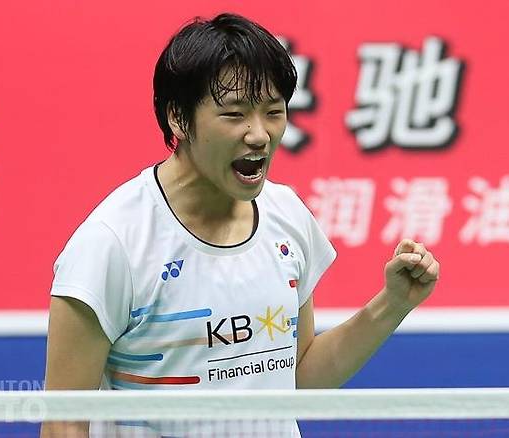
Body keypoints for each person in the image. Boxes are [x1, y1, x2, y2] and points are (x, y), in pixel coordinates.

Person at [41, 12, 440, 438]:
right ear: (178, 118)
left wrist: (392, 304)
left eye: (273, 112)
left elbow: (297, 381)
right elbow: (63, 424)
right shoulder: (112, 244)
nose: (259, 135)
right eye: (234, 114)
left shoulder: (286, 216)